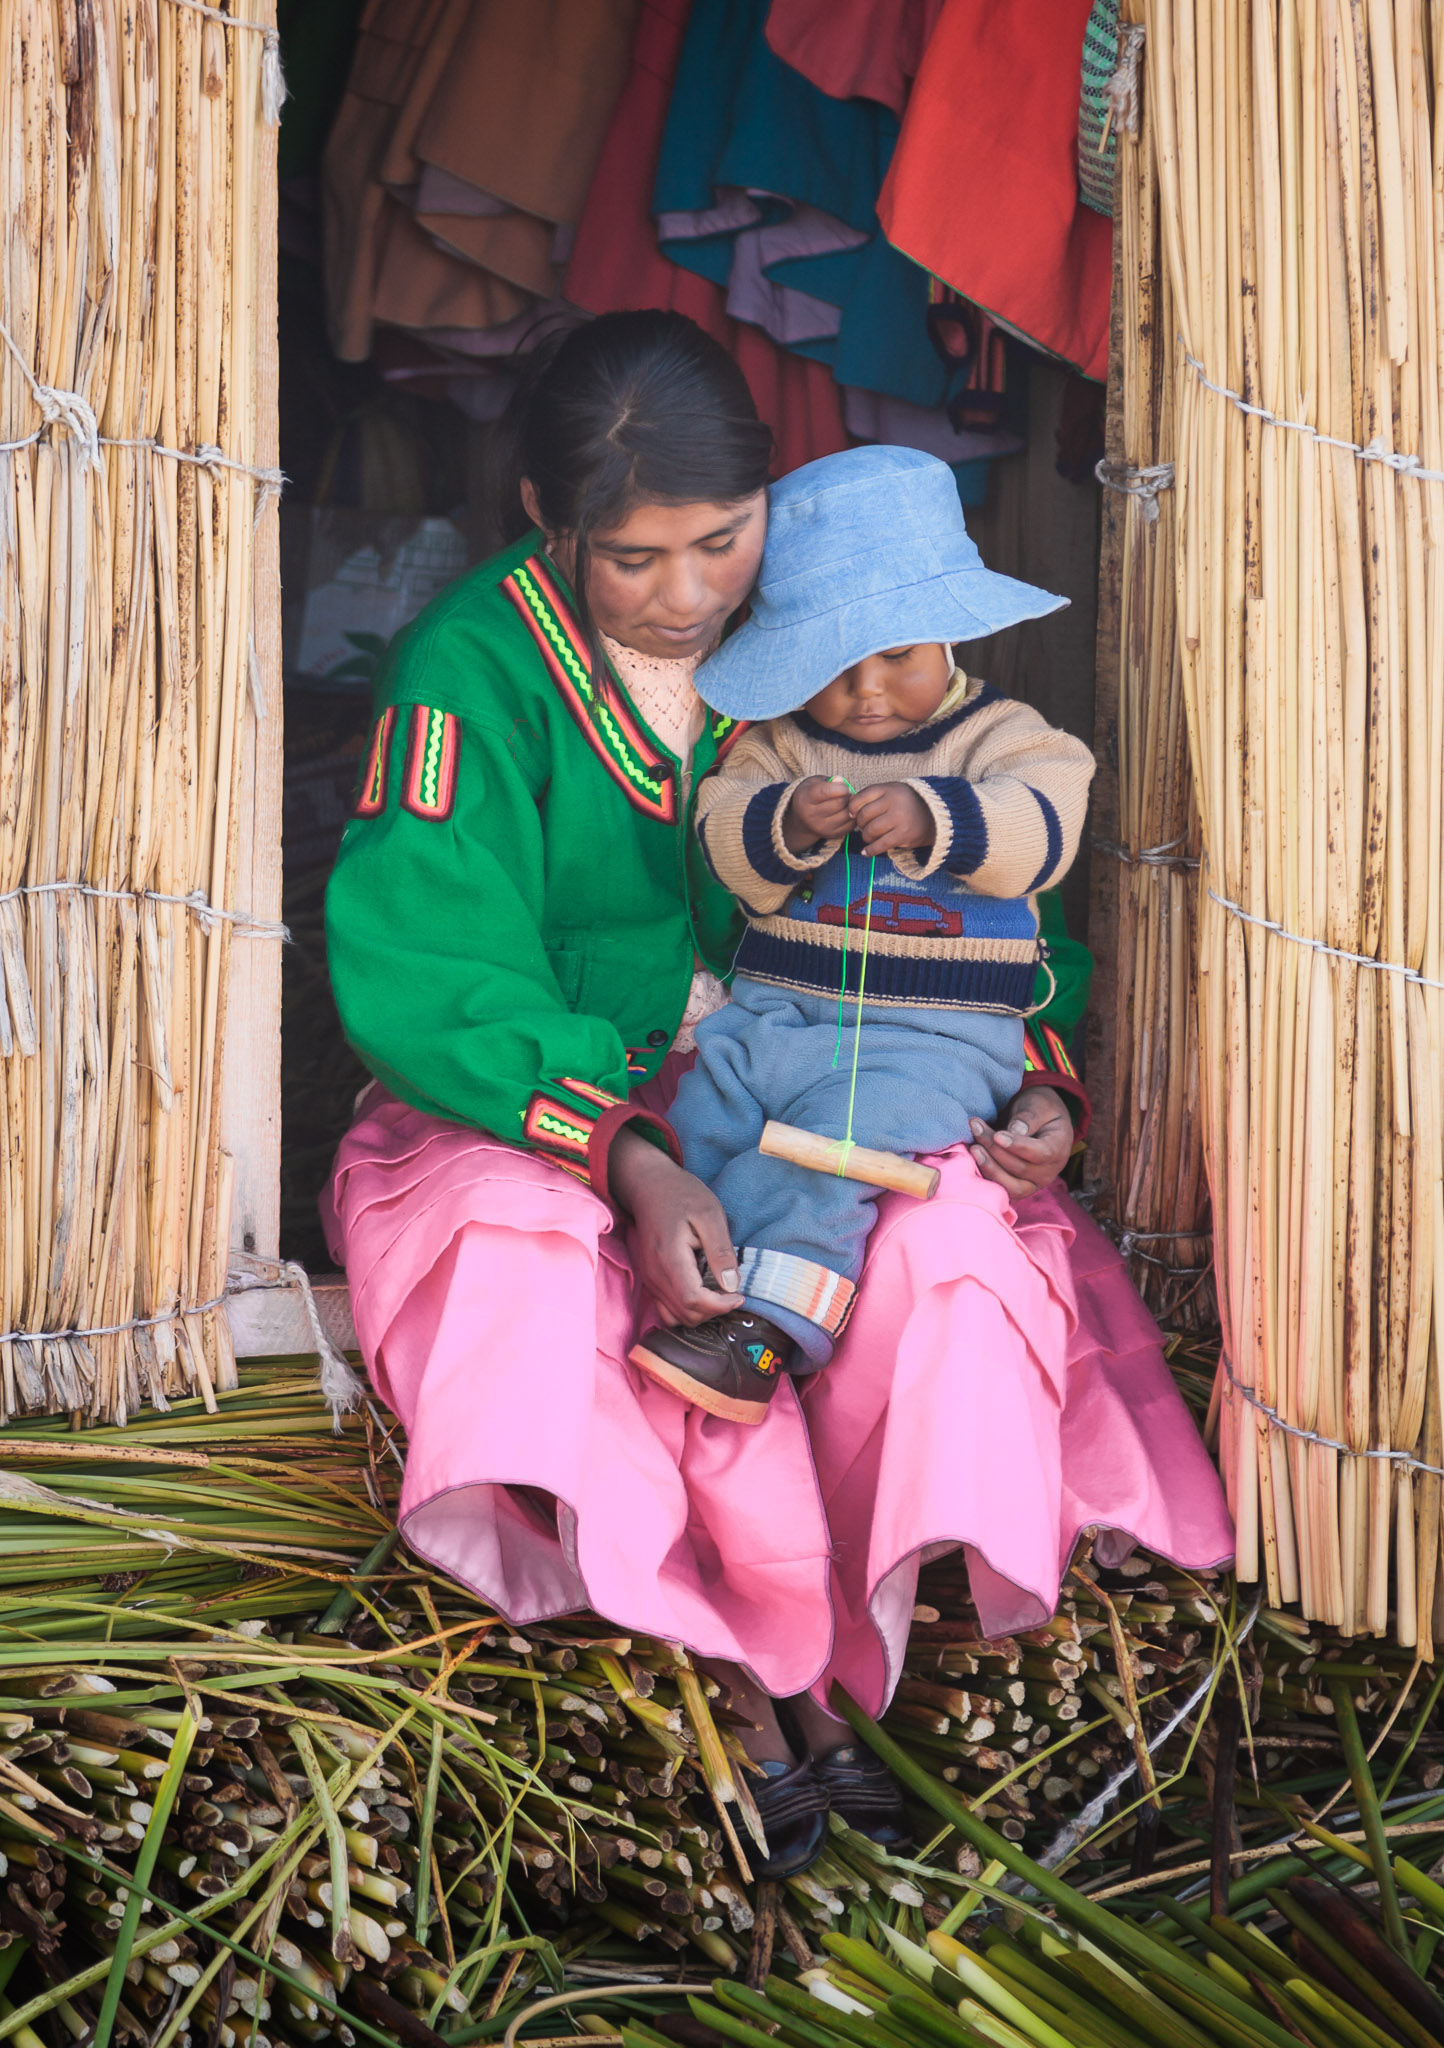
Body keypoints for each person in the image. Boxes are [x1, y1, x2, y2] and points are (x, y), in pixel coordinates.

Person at [323, 309, 1234, 1882]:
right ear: (549, 523)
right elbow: (427, 966)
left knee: (940, 1239)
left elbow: (982, 916)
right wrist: (623, 1151)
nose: (687, 599)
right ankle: (724, 1680)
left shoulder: (825, 639)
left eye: (721, 543)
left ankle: (889, 1656)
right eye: (634, 560)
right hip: (521, 1095)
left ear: (770, 512)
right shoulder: (467, 676)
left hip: (806, 1070)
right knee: (556, 1271)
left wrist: (1037, 1077)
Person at [633, 446, 1095, 1419]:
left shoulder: (1003, 738)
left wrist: (943, 817)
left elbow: (1045, 822)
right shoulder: (781, 746)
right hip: (773, 1017)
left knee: (822, 1150)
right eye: (837, 668)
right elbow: (724, 836)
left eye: (900, 656)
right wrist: (784, 824)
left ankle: (766, 1333)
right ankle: (684, 1290)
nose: (872, 690)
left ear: (952, 640)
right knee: (704, 1119)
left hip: (926, 1043)